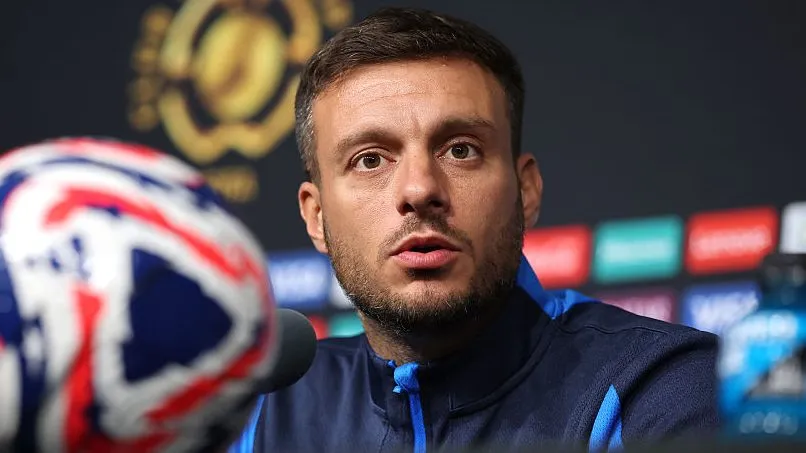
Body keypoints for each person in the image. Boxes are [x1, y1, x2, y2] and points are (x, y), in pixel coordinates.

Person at [232, 7, 719, 453]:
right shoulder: (264, 409)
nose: (420, 189)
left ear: (525, 191)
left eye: (460, 149)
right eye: (371, 159)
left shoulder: (656, 385)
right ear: (316, 216)